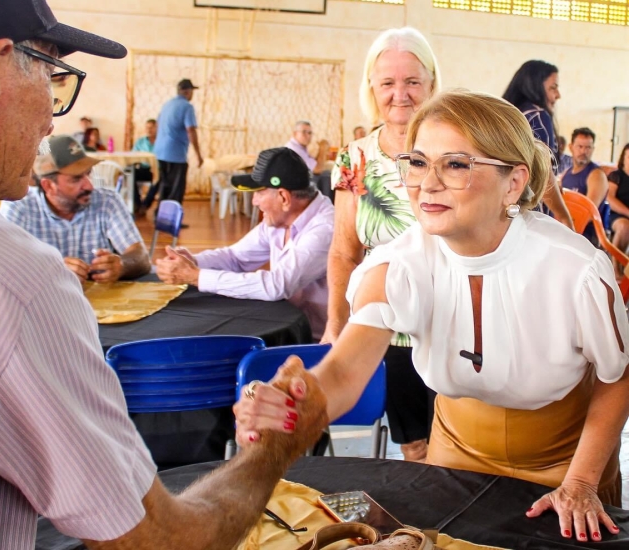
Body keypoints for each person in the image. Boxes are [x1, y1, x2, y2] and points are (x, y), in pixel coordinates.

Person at [0, 2, 331, 548]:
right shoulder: (2, 276)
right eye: (51, 76)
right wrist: (272, 450)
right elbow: (157, 543)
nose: (51, 120)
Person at [235, 90, 629, 544]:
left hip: (564, 464)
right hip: (453, 457)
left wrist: (580, 483)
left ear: (514, 183)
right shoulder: (401, 262)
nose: (427, 183)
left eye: (456, 164)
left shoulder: (574, 269)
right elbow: (345, 368)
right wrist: (300, 402)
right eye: (418, 163)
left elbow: (616, 377)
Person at [324, 27, 441, 462]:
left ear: (431, 83)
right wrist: (336, 322)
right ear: (371, 87)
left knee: (463, 445)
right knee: (415, 444)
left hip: (459, 324)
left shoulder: (461, 147)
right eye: (388, 82)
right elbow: (343, 250)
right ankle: (427, 529)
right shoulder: (354, 158)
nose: (401, 94)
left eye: (412, 81)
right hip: (389, 327)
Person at [156, 147, 334, 340]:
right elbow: (236, 258)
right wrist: (194, 262)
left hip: (318, 343)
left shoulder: (325, 228)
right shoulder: (280, 219)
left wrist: (195, 276)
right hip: (286, 325)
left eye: (259, 193)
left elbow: (278, 285)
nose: (254, 201)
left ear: (283, 197)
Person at [0, 134, 151, 283]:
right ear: (48, 186)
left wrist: (123, 265)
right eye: (76, 179)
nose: (90, 185)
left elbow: (142, 258)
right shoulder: (19, 206)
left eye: (88, 174)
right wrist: (51, 270)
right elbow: (1, 265)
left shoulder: (107, 201)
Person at [502, 60, 574, 229]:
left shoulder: (509, 116)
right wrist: (564, 216)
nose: (558, 95)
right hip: (530, 214)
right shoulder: (538, 117)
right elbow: (543, 173)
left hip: (506, 211)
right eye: (553, 87)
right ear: (535, 87)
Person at [154, 78, 203, 218]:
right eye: (192, 91)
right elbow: (191, 130)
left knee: (165, 185)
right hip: (176, 154)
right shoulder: (187, 107)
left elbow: (158, 124)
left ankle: (160, 215)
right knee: (176, 188)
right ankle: (171, 219)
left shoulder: (167, 104)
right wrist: (198, 155)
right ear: (187, 92)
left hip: (160, 152)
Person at [560, 127, 610, 244]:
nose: (583, 151)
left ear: (593, 149)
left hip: (586, 237)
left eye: (588, 147)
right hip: (568, 231)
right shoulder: (566, 174)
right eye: (580, 146)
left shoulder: (596, 175)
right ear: (571, 147)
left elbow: (587, 214)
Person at [608, 143, 629, 273]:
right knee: (625, 226)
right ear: (624, 158)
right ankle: (616, 270)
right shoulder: (617, 175)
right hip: (616, 216)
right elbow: (610, 198)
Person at [133, 118, 158, 215]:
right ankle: (137, 203)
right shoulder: (140, 142)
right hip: (144, 169)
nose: (149, 130)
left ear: (157, 128)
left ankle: (146, 204)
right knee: (131, 175)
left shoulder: (161, 141)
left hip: (156, 170)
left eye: (152, 127)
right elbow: (133, 156)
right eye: (147, 128)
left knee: (159, 178)